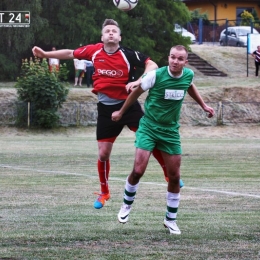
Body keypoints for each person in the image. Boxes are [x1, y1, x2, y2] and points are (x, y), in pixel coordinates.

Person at [32, 19, 183, 211]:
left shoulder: (128, 54)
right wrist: (45, 54)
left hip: (128, 106)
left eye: (114, 31)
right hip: (105, 108)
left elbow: (151, 64)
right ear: (102, 37)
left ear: (119, 37)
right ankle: (104, 192)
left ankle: (169, 175)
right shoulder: (93, 51)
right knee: (103, 154)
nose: (111, 33)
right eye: (107, 31)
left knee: (149, 139)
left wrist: (139, 80)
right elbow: (70, 53)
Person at [112, 45, 215, 234]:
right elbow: (136, 92)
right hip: (149, 127)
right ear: (168, 58)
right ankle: (126, 205)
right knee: (138, 171)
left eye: (180, 59)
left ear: (185, 62)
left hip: (170, 132)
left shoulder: (188, 75)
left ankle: (170, 220)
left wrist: (204, 105)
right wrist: (121, 112)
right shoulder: (156, 75)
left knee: (175, 177)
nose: (175, 61)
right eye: (172, 57)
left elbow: (189, 86)